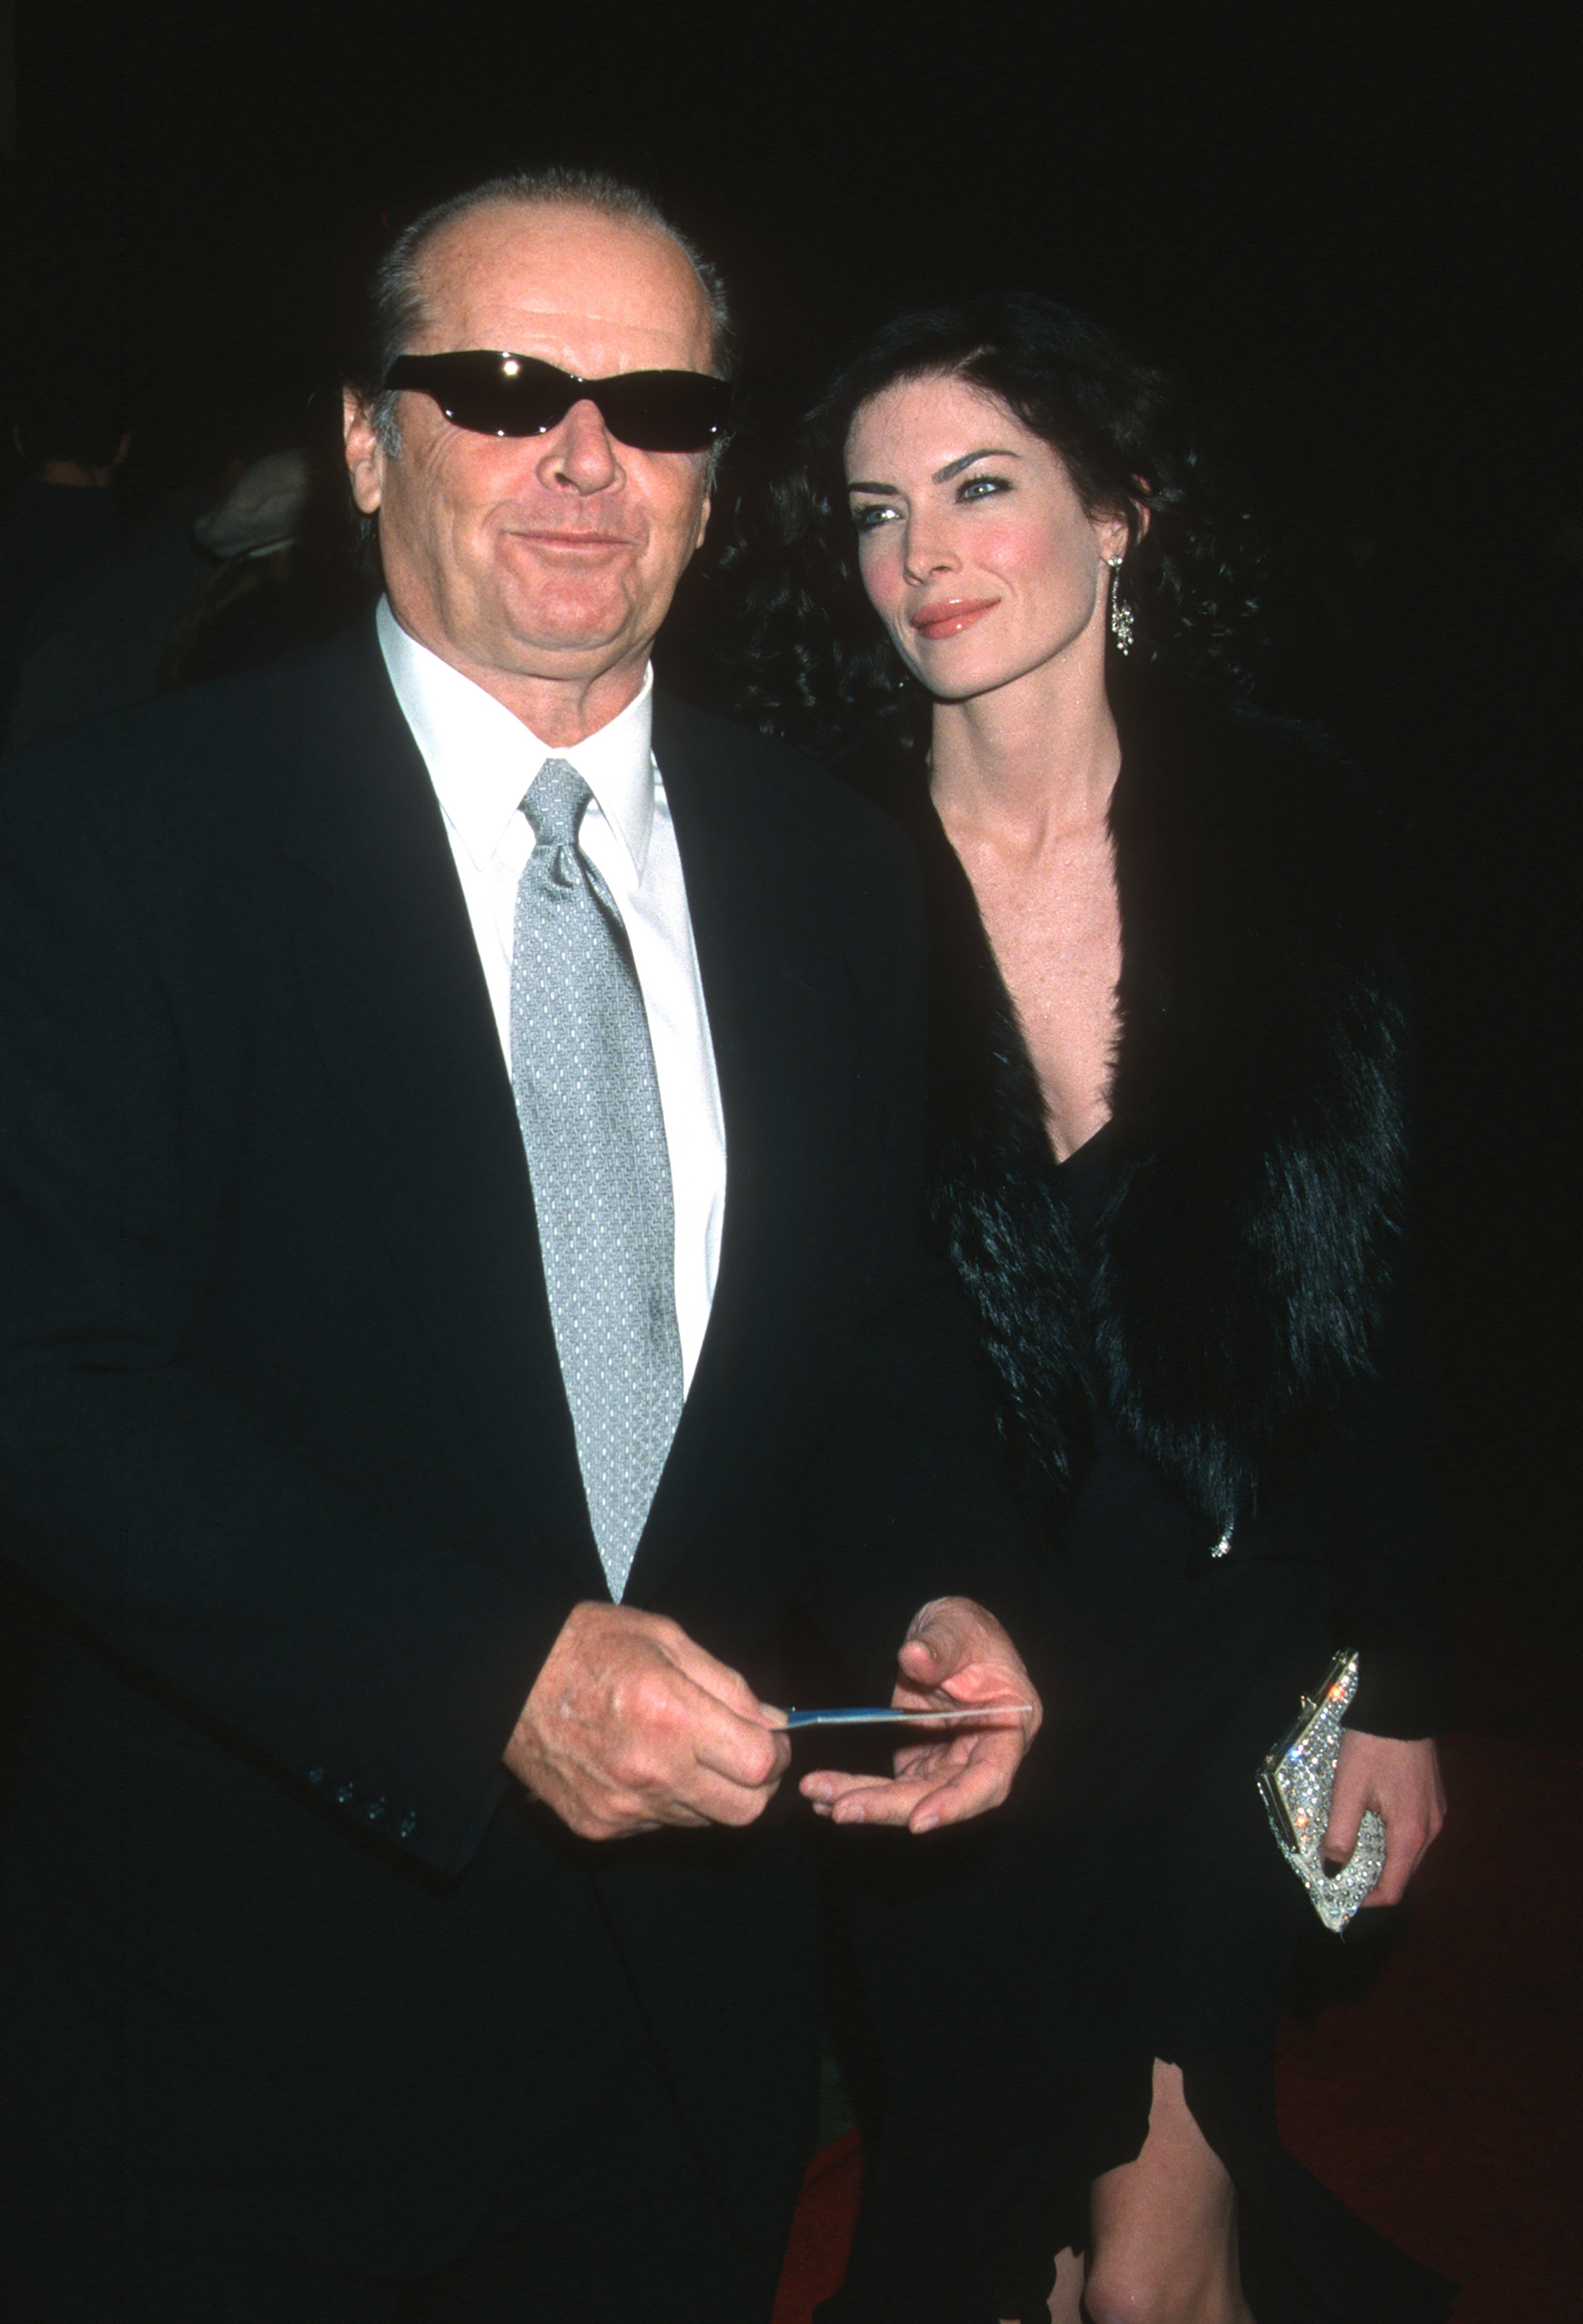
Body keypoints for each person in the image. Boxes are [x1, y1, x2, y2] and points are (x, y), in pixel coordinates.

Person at [0, 177, 1041, 2324]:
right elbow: (46, 1381)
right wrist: (489, 1677)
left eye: (651, 404)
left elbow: (868, 1343)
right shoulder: (108, 840)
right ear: (370, 444)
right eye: (499, 390)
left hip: (687, 2045)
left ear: (712, 473)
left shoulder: (835, 878)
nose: (582, 455)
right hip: (235, 2050)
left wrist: (936, 1588)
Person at [724, 293, 1452, 2324]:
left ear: (1120, 511)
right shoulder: (800, 862)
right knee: (992, 2215)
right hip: (950, 1638)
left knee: (1149, 2258)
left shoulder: (1297, 826)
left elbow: (1380, 1275)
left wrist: (1396, 1670)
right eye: (874, 515)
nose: (922, 558)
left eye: (979, 491)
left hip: (1233, 1624)